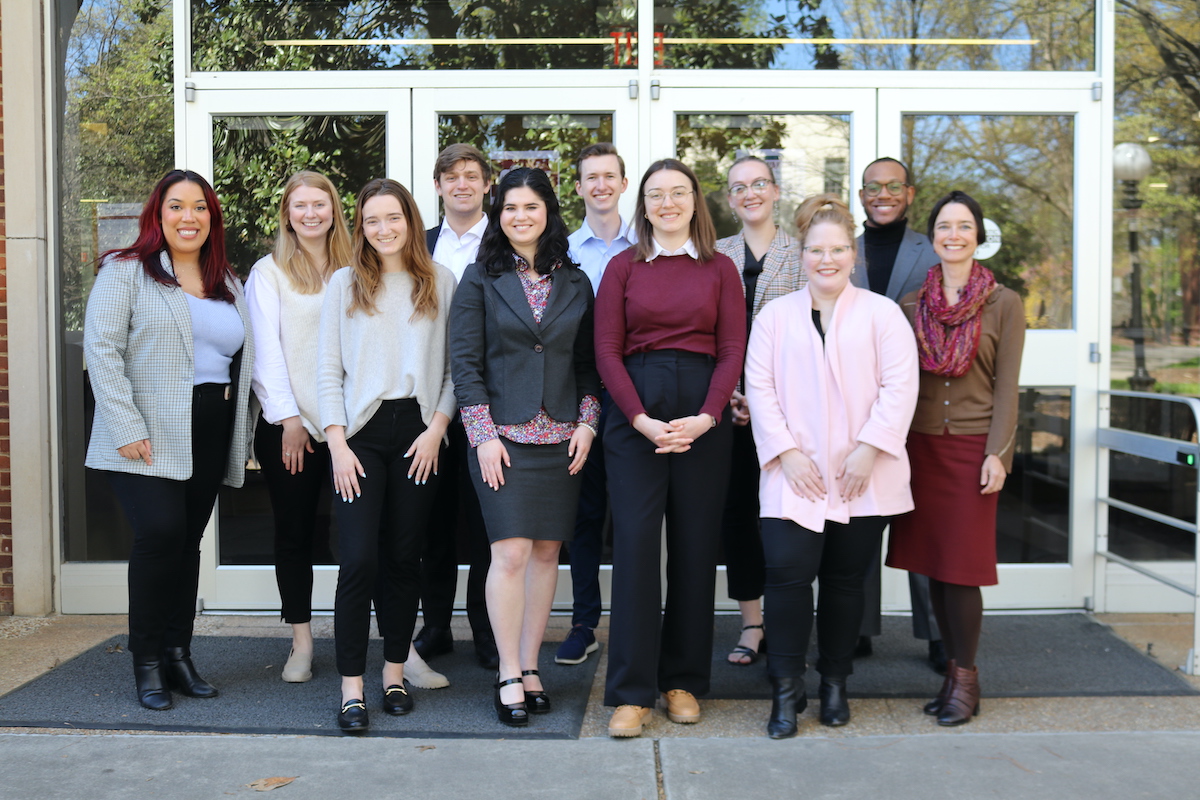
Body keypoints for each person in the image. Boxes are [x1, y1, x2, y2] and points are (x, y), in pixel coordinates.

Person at [745, 194, 919, 739]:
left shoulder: (881, 314)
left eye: (838, 249)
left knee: (846, 583)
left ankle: (835, 683)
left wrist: (871, 448)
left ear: (853, 253)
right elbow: (760, 388)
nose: (827, 259)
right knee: (787, 580)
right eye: (817, 250)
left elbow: (900, 386)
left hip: (862, 474)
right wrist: (787, 454)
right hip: (793, 475)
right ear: (802, 255)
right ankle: (785, 689)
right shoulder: (775, 316)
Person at [84, 169, 255, 711]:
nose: (189, 217)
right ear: (158, 214)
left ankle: (180, 654)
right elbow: (101, 351)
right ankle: (148, 662)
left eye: (200, 208)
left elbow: (241, 363)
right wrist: (126, 425)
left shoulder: (226, 279)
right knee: (158, 536)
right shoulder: (126, 271)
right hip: (147, 429)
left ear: (212, 219)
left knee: (186, 544)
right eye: (177, 206)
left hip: (210, 425)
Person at [595, 158, 745, 738]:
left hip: (702, 421)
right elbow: (607, 349)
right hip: (637, 421)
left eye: (678, 193)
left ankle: (682, 682)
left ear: (695, 201)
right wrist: (639, 419)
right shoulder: (622, 267)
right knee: (634, 551)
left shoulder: (720, 269)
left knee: (693, 549)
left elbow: (733, 347)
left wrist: (708, 417)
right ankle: (631, 693)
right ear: (645, 204)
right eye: (656, 194)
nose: (667, 203)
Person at [450, 167, 600, 726]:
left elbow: (588, 367)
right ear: (498, 214)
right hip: (502, 442)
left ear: (548, 212)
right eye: (510, 207)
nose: (520, 216)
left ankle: (532, 665)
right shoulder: (478, 278)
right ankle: (508, 669)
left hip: (562, 440)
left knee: (544, 555)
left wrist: (587, 424)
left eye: (530, 207)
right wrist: (483, 435)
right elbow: (463, 366)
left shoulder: (577, 281)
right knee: (509, 553)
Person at [317, 178, 457, 733]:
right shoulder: (344, 284)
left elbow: (452, 369)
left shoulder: (439, 282)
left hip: (419, 432)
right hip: (360, 436)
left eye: (392, 218)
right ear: (361, 226)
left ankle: (393, 673)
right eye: (372, 220)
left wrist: (437, 429)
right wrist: (336, 445)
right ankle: (351, 686)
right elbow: (327, 369)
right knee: (358, 561)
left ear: (411, 220)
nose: (383, 229)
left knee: (404, 559)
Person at [887, 190, 1025, 727]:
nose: (953, 235)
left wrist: (998, 454)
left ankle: (966, 677)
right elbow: (896, 384)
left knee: (962, 570)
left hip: (972, 450)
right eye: (944, 226)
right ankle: (950, 673)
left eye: (964, 226)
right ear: (933, 236)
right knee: (934, 569)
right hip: (920, 448)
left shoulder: (1003, 303)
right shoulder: (910, 304)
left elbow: (1008, 387)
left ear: (977, 235)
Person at [246, 171, 351, 684]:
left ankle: (376, 638)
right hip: (290, 426)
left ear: (334, 209)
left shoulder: (358, 265)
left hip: (352, 426)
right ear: (286, 213)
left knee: (358, 536)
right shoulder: (269, 272)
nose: (311, 214)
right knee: (295, 532)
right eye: (300, 206)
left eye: (320, 204)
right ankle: (302, 641)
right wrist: (288, 418)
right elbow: (265, 352)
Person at [849, 156, 946, 671]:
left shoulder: (933, 253)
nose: (882, 194)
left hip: (918, 409)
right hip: (856, 409)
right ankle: (858, 628)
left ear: (909, 193)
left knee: (922, 525)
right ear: (861, 194)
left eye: (892, 186)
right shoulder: (845, 251)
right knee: (859, 518)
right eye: (872, 187)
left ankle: (935, 633)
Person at [713, 155, 805, 667]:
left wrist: (767, 398)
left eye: (758, 185)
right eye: (738, 187)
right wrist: (728, 392)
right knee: (738, 517)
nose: (749, 194)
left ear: (774, 192)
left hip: (789, 411)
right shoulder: (713, 254)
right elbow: (706, 333)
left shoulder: (802, 252)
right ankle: (752, 622)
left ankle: (789, 621)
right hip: (727, 409)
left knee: (785, 518)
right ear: (729, 199)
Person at [415, 143, 499, 670]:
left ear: (487, 184)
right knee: (432, 522)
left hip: (490, 400)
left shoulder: (508, 238)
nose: (462, 184)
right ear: (439, 185)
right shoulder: (417, 245)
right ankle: (437, 625)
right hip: (427, 401)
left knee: (487, 524)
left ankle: (488, 631)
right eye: (452, 176)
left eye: (472, 175)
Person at [557, 142, 637, 666]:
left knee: (633, 515)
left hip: (635, 399)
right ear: (580, 187)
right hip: (582, 399)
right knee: (583, 517)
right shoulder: (563, 251)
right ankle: (584, 622)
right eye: (592, 178)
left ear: (623, 184)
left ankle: (633, 623)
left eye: (610, 176)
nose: (601, 185)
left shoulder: (647, 246)